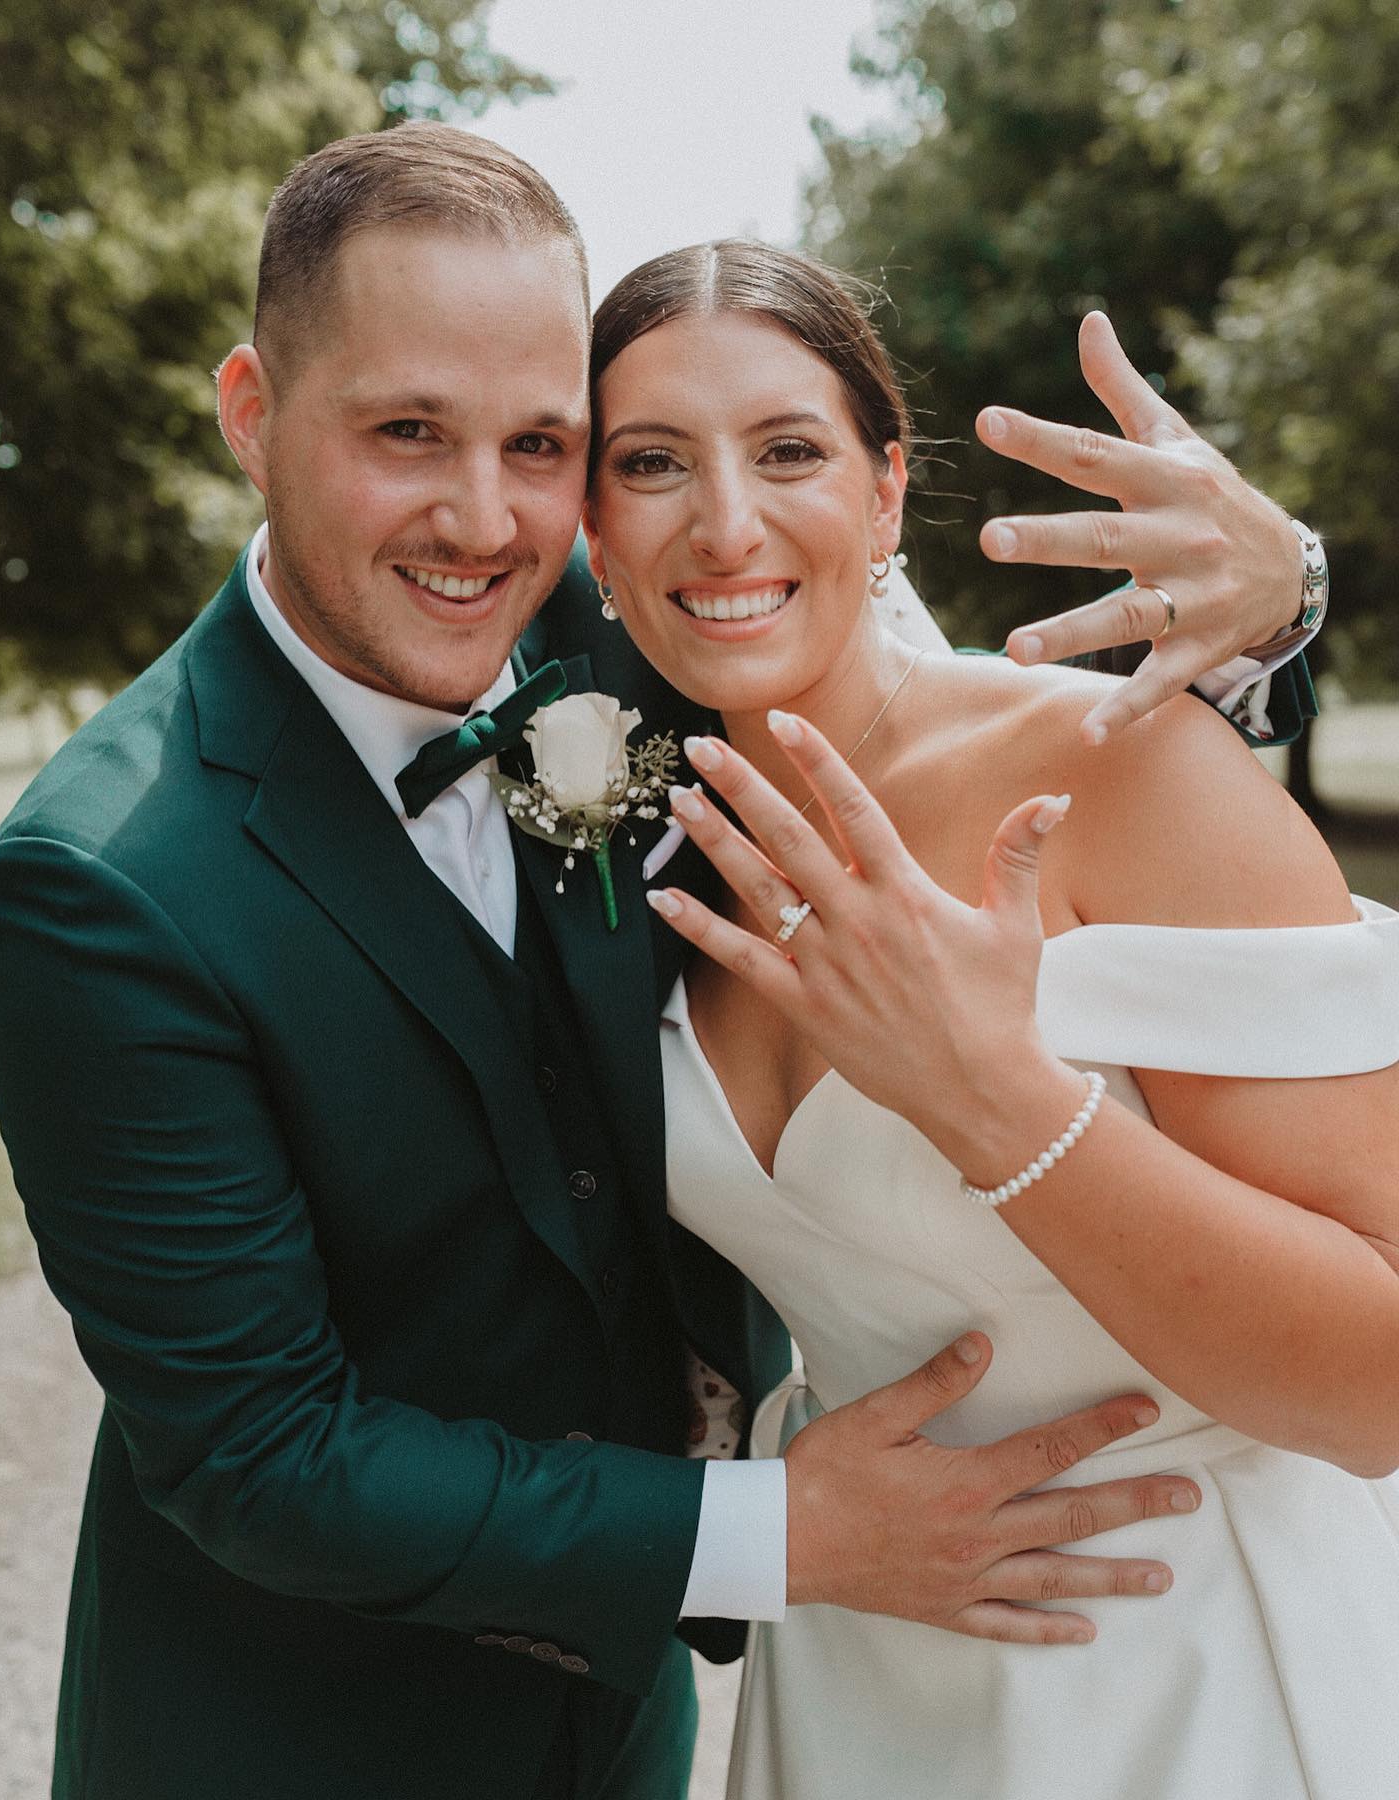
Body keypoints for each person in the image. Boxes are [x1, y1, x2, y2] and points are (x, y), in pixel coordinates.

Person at [0, 123, 1329, 1800]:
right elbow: (258, 1452)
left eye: (543, 445)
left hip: (658, 1730)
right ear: (253, 415)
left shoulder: (615, 647)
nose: (480, 518)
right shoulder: (97, 884)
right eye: (405, 433)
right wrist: (780, 1530)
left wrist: (1276, 611)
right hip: (305, 1733)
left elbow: (871, 652)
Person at [580, 237, 1399, 1799]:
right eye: (654, 463)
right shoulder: (642, 823)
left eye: (790, 451)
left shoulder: (1116, 764)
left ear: (888, 493)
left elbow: (1382, 1384)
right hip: (857, 1676)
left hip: (1190, 1666)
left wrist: (995, 1103)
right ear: (595, 534)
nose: (726, 522)